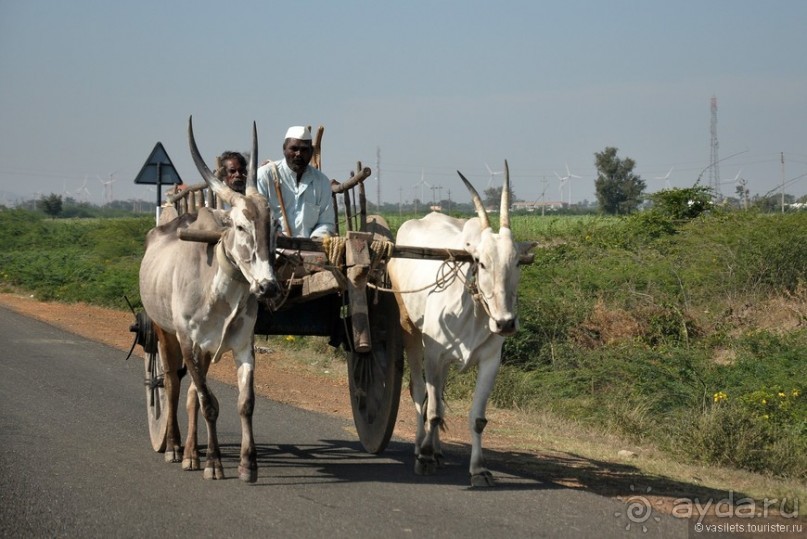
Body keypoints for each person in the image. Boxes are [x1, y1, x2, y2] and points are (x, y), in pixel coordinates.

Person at [257, 126, 335, 238]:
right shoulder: (265, 175)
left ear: (311, 152)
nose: (298, 154)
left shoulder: (322, 182)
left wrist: (313, 242)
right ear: (284, 149)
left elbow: (326, 222)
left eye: (304, 150)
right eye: (294, 149)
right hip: (273, 249)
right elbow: (258, 218)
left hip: (310, 249)